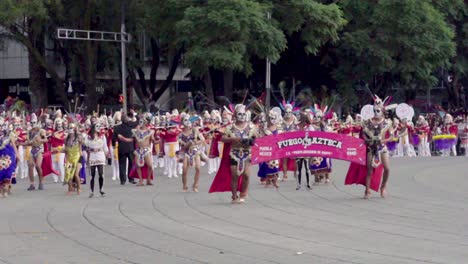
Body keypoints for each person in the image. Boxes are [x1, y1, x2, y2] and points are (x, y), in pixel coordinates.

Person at [119, 113, 155, 186]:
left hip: (146, 150)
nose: (140, 123)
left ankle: (148, 180)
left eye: (142, 121)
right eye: (140, 121)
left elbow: (153, 140)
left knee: (150, 165)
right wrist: (123, 138)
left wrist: (157, 140)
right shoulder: (135, 131)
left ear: (146, 122)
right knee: (138, 166)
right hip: (138, 150)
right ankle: (141, 180)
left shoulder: (150, 131)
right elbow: (131, 140)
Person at [112, 111, 139, 185]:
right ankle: (131, 178)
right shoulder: (131, 125)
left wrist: (114, 145)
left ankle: (123, 180)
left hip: (121, 148)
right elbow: (137, 121)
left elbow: (114, 138)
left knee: (122, 164)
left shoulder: (117, 127)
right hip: (130, 147)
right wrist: (135, 114)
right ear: (127, 120)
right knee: (131, 163)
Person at [86, 124, 108, 197]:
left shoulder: (102, 136)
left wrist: (107, 153)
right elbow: (86, 144)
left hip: (100, 155)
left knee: (101, 173)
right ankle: (91, 191)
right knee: (92, 175)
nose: (98, 128)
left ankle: (101, 189)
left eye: (99, 127)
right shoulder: (89, 137)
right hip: (92, 155)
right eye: (96, 127)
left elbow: (105, 146)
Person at [64, 123, 83, 195]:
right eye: (69, 128)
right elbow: (65, 150)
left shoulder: (78, 137)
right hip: (69, 158)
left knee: (75, 174)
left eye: (72, 128)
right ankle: (70, 189)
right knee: (68, 174)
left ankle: (79, 188)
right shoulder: (66, 139)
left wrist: (77, 130)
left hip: (78, 158)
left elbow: (82, 143)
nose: (71, 130)